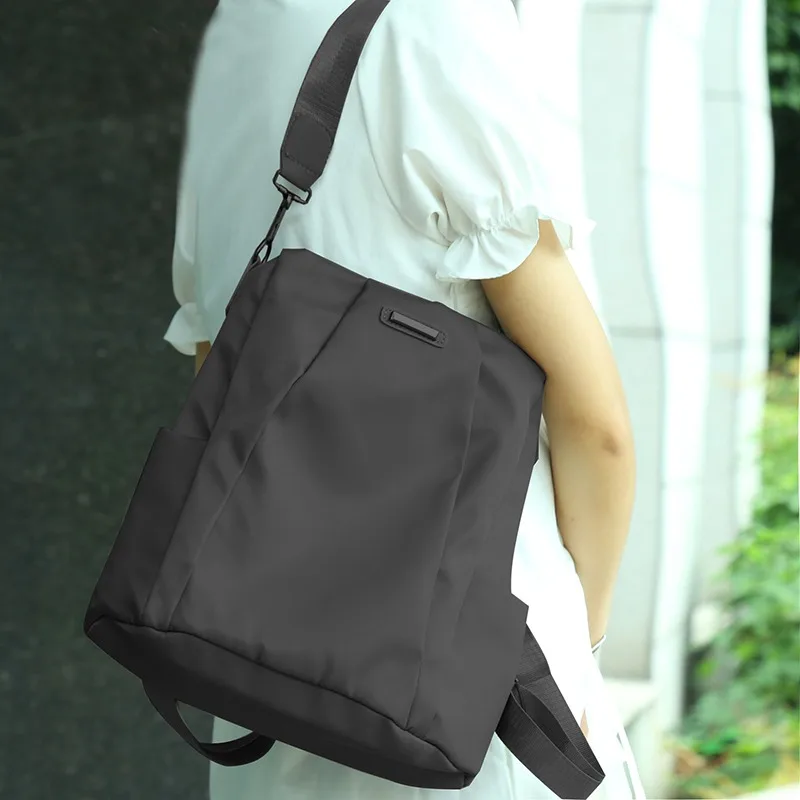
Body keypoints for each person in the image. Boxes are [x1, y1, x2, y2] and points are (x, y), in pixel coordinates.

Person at [164, 0, 646, 797]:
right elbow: (598, 430)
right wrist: (582, 651)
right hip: (478, 691)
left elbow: (216, 374)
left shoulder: (237, 34)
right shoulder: (438, 24)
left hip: (258, 684)